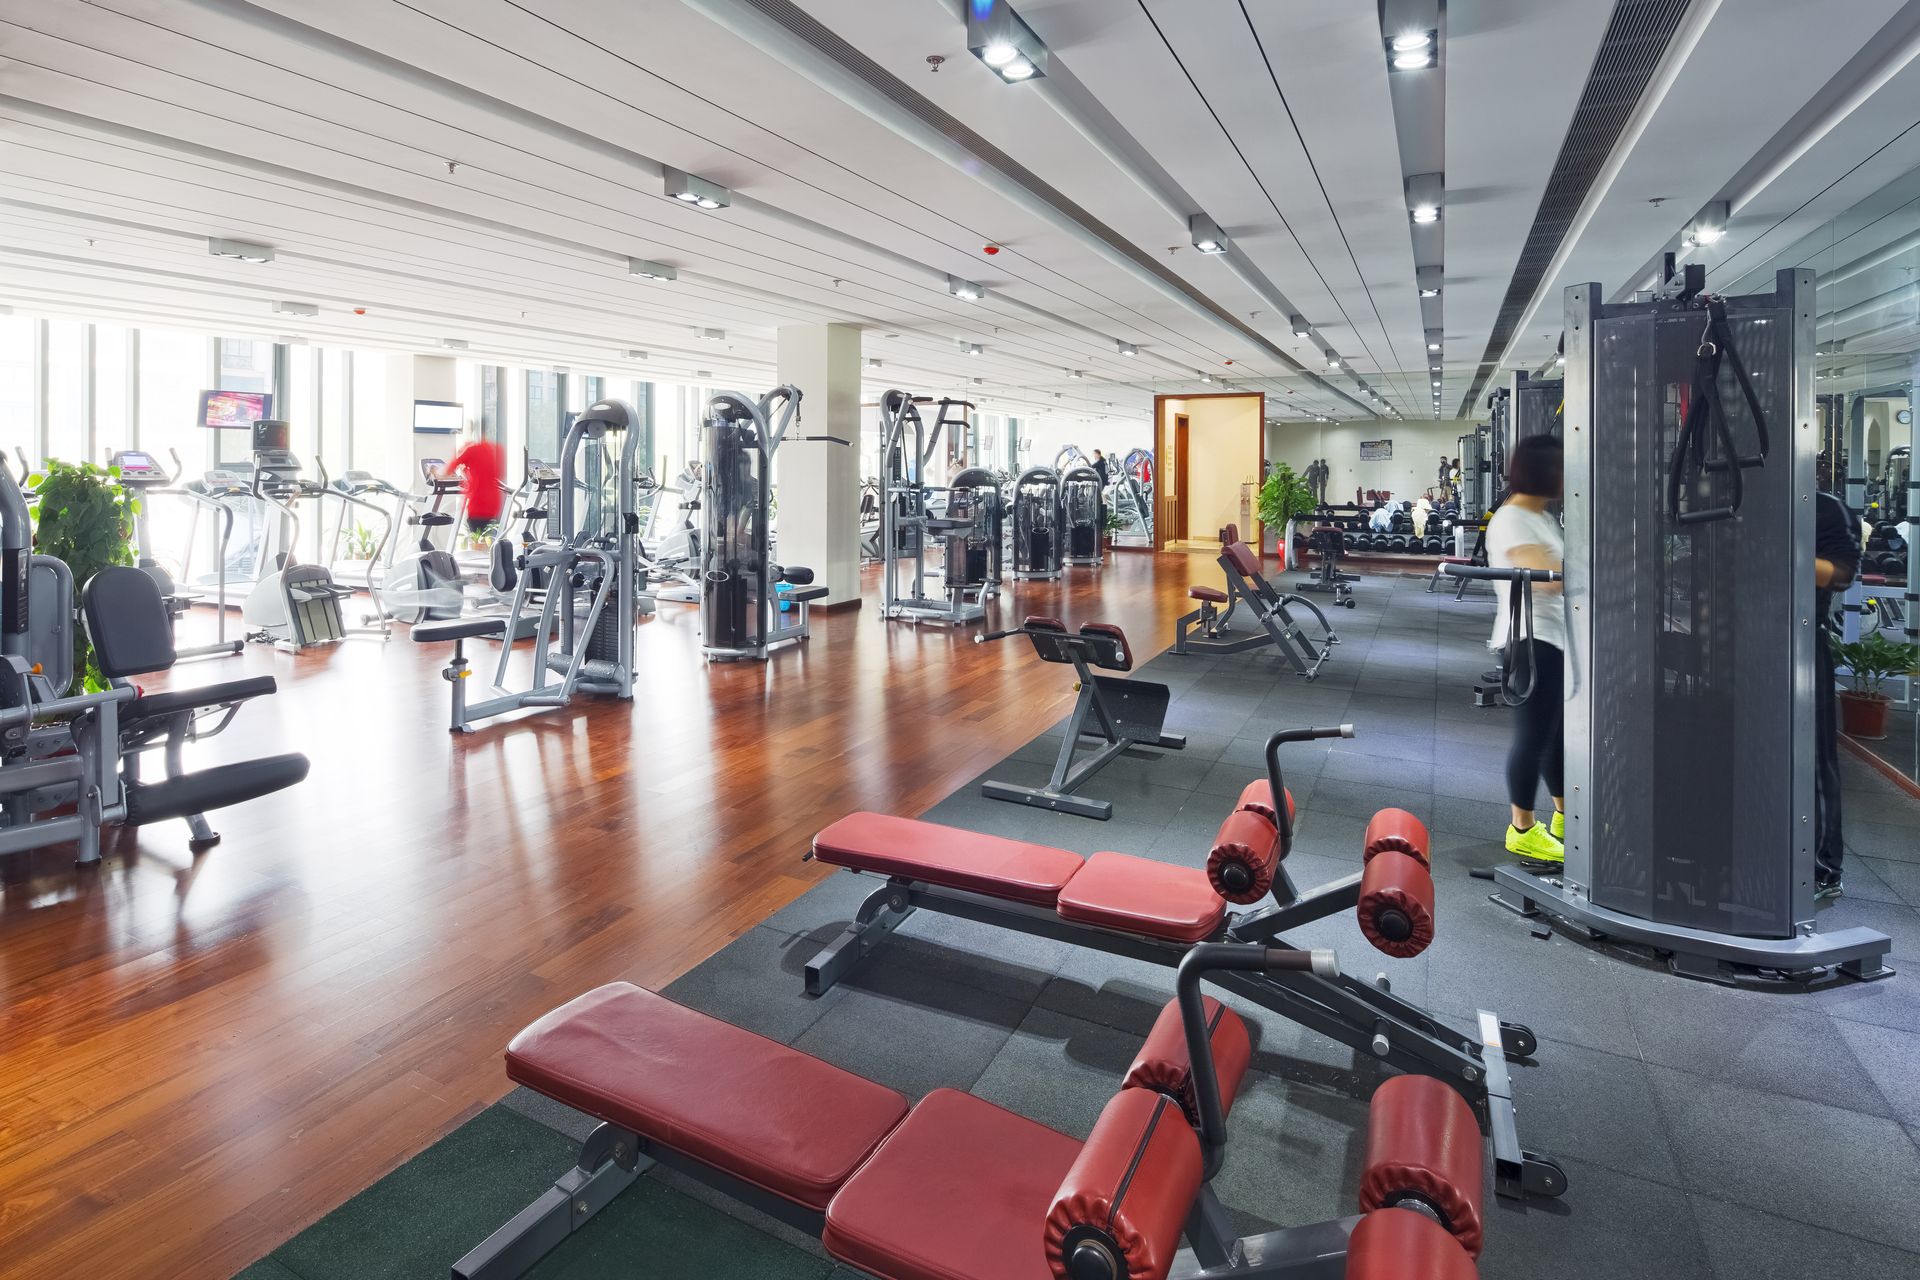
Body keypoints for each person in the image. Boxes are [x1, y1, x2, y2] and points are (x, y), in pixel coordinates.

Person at [1486, 436, 1566, 867]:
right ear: (1544, 471)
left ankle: (1564, 817)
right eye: (1561, 467)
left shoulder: (1542, 517)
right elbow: (1546, 578)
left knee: (1556, 737)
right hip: (1530, 642)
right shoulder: (1514, 518)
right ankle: (1521, 828)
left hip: (1554, 638)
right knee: (1534, 738)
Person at [1814, 487, 1861, 898]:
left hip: (1801, 645)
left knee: (1812, 756)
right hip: (1736, 642)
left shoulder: (1825, 508)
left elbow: (1843, 573)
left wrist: (1779, 550)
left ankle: (1823, 867)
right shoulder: (1741, 501)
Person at [442, 431, 506, 538]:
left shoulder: (472, 450)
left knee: (475, 538)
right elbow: (499, 474)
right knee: (489, 539)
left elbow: (451, 467)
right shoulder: (496, 450)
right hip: (494, 504)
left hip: (478, 504)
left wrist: (439, 474)